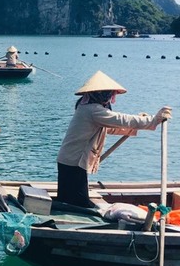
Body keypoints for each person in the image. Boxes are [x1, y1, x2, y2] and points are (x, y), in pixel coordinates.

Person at [56, 71, 172, 208]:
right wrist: (152, 120)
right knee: (78, 204)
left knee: (71, 201)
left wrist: (140, 124)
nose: (109, 98)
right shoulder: (92, 110)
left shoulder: (88, 109)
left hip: (70, 160)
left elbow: (110, 127)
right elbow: (120, 119)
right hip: (73, 162)